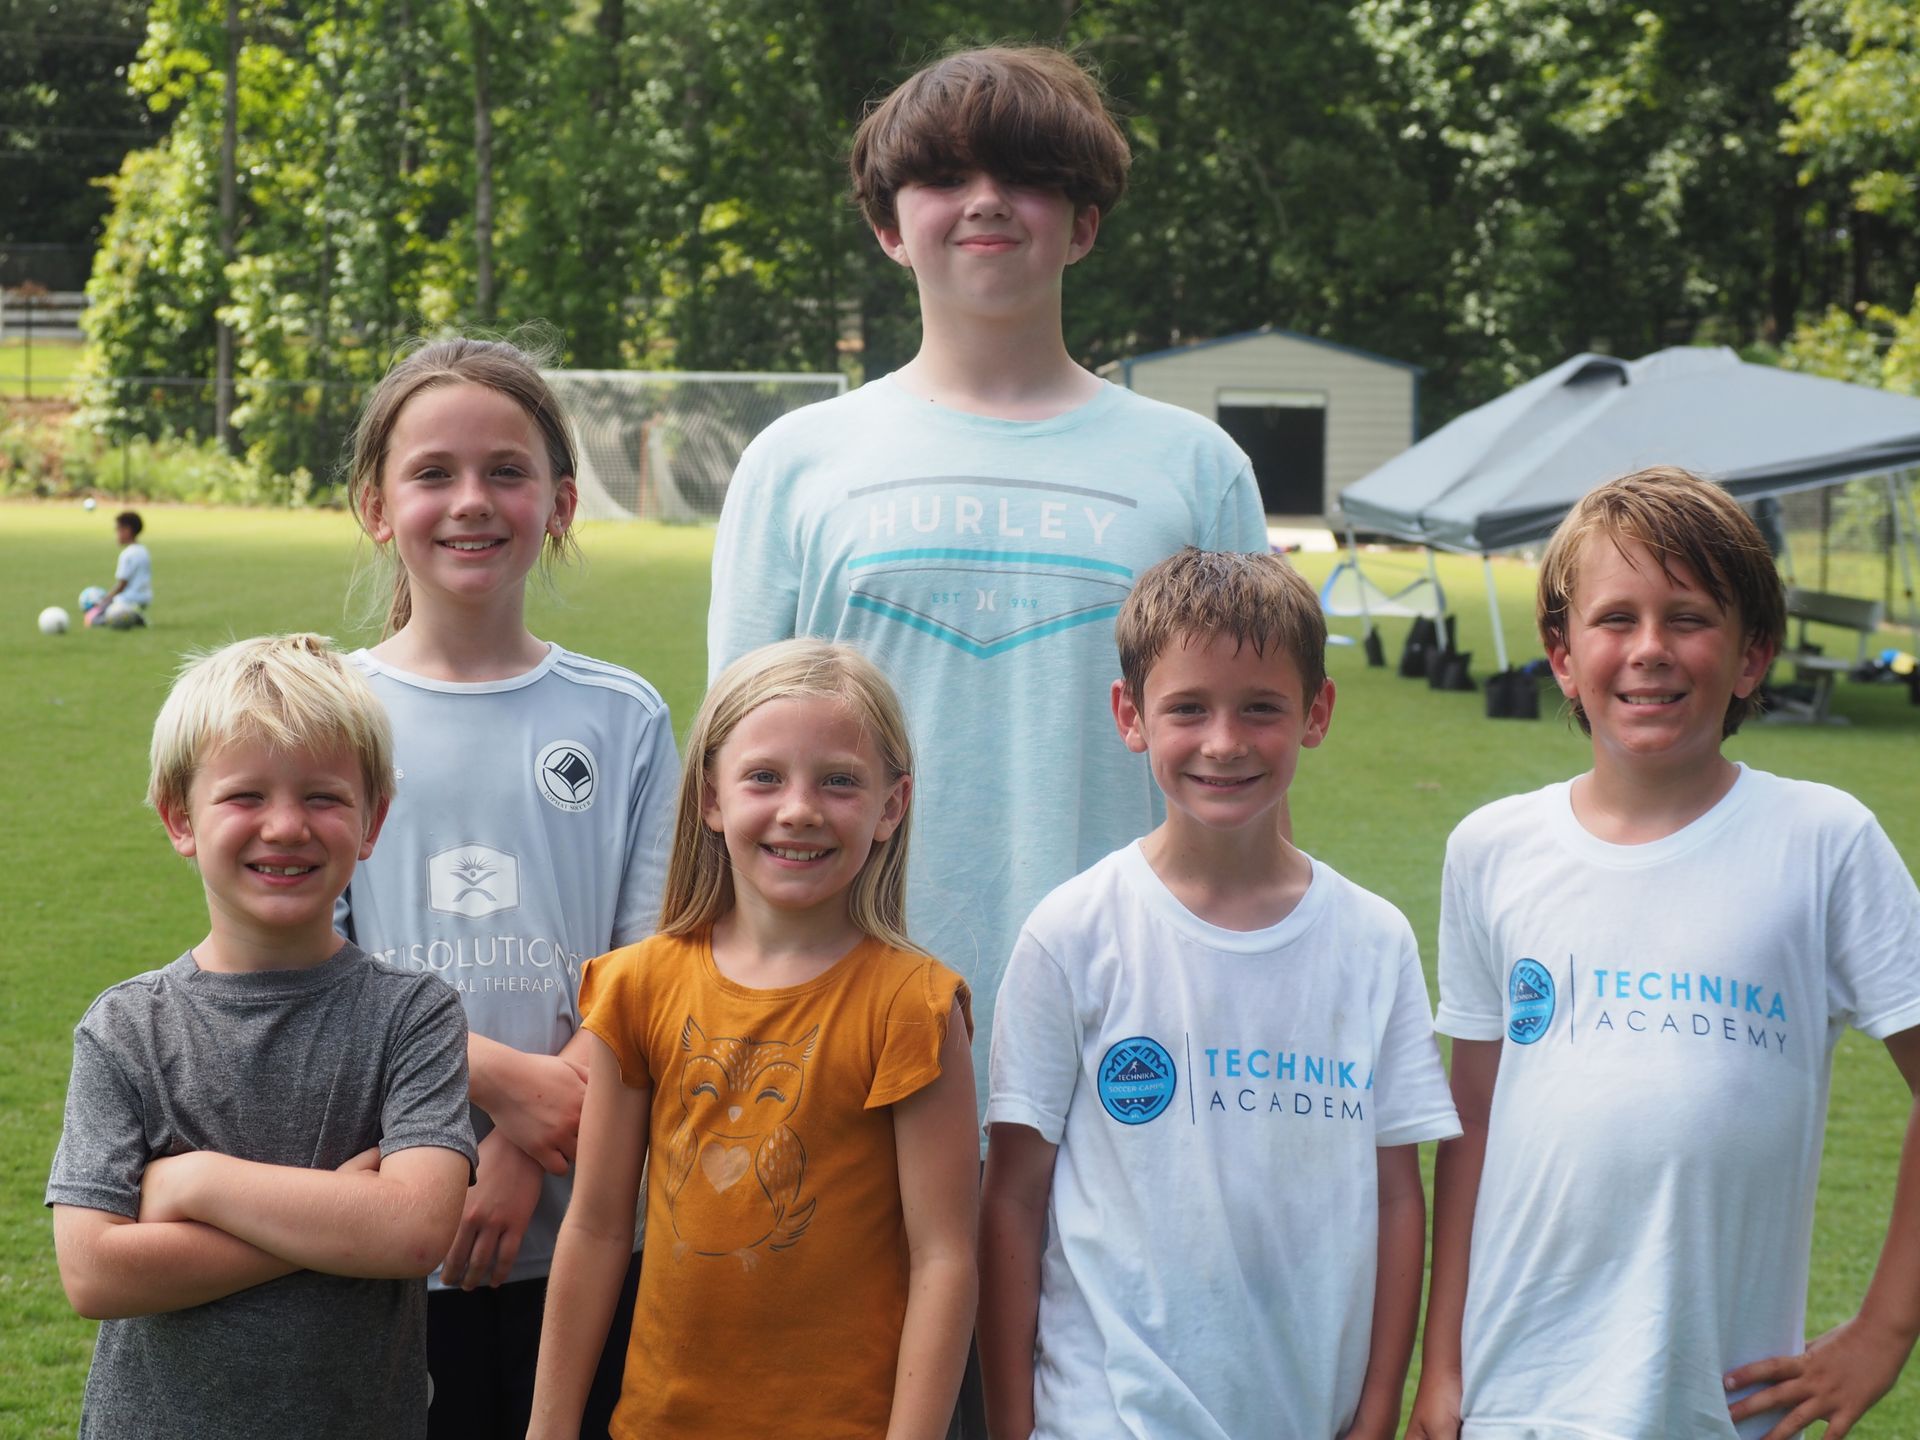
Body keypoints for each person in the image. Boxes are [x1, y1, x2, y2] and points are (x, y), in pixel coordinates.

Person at [707, 46, 1269, 1115]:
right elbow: (734, 770)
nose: (986, 202)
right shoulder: (797, 461)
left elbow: (1249, 767)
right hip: (844, 1009)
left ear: (1083, 223)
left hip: (1130, 1009)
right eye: (943, 177)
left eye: (1024, 176)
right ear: (888, 226)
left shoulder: (1195, 467)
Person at [1406, 467, 1920, 1440]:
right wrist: (1444, 1367)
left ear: (1752, 654)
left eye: (1688, 618)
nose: (1650, 649)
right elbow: (1472, 1121)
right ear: (1562, 655)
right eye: (1616, 619)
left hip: (1716, 1402)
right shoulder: (1492, 849)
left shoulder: (1824, 843)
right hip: (1516, 1395)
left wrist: (1885, 1331)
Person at [979, 548, 1461, 1439]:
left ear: (1317, 713)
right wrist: (1011, 1424)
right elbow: (1012, 1197)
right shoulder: (1072, 932)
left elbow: (1399, 1196)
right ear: (1130, 716)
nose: (1225, 741)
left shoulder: (1374, 940)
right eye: (1188, 708)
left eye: (1261, 708)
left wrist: (1375, 1412)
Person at [337, 336, 678, 1439]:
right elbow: (306, 968)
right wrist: (495, 1099)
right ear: (376, 507)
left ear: (562, 502)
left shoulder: (622, 717)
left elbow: (650, 973)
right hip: (387, 1223)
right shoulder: (327, 709)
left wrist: (531, 1141)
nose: (472, 500)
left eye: (507, 471)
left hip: (592, 1226)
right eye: (433, 473)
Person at [528, 639, 979, 1440]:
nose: (799, 809)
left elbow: (943, 1259)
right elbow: (596, 1229)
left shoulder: (915, 1007)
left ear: (892, 806)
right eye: (764, 777)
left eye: (839, 781)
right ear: (711, 797)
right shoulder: (637, 986)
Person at [46, 633, 476, 1440]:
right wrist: (343, 1216)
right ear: (180, 818)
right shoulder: (126, 1027)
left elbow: (415, 1230)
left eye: (323, 797)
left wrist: (198, 1185)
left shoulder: (414, 1015)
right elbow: (95, 1273)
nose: (285, 826)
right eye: (245, 796)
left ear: (373, 820)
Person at [89, 509, 151, 626]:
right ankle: (134, 614)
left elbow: (122, 585)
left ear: (127, 530)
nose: (116, 534)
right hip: (145, 598)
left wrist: (105, 600)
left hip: (127, 600)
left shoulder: (127, 554)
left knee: (94, 619)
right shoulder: (143, 550)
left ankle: (133, 617)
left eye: (118, 530)